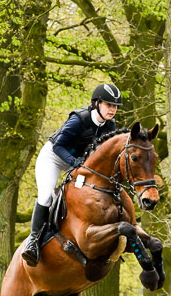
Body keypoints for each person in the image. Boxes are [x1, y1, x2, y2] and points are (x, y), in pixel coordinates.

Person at [22, 83, 123, 266]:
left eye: (115, 106)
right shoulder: (79, 119)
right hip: (54, 157)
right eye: (109, 105)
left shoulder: (111, 125)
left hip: (80, 163)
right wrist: (74, 162)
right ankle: (33, 241)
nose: (113, 109)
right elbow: (58, 146)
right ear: (96, 103)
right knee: (47, 195)